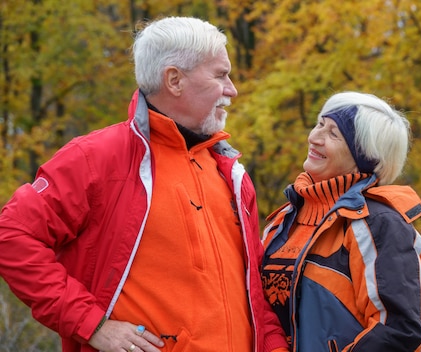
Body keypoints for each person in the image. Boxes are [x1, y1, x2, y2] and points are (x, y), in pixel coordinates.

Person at [0, 16, 288, 352]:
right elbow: (11, 236)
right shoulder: (96, 157)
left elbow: (255, 292)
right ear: (174, 80)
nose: (232, 89)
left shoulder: (231, 173)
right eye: (220, 75)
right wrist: (91, 324)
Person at [261, 91, 421, 351]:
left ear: (363, 157)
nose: (314, 138)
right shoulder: (282, 221)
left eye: (333, 134)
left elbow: (399, 331)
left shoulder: (378, 225)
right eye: (319, 124)